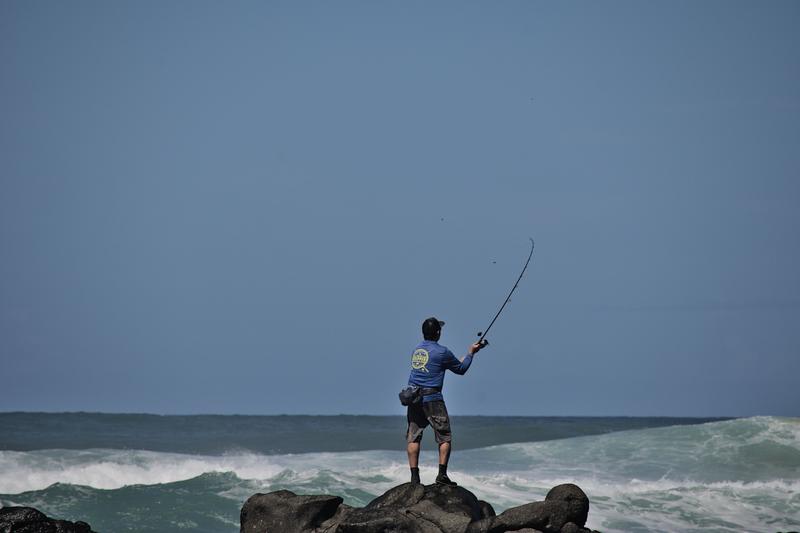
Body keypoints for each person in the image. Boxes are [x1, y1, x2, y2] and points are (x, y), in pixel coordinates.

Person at [405, 317, 485, 486]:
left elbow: (451, 363)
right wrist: (472, 353)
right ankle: (441, 475)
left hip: (414, 397)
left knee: (413, 438)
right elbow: (460, 369)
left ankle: (414, 479)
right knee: (444, 437)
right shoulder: (442, 352)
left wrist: (468, 353)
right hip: (433, 399)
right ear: (438, 333)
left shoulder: (417, 350)